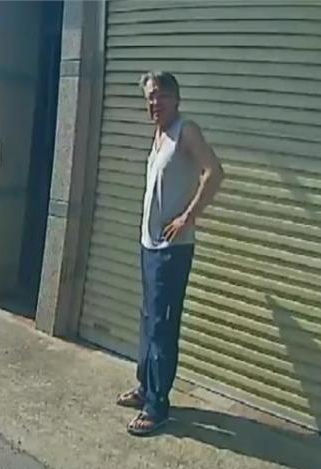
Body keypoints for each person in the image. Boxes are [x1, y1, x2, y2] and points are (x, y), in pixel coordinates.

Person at [116, 71, 224, 436]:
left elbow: (215, 172)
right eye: (149, 97)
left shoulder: (185, 130)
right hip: (149, 245)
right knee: (148, 319)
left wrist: (187, 217)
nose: (154, 103)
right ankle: (145, 386)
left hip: (172, 250)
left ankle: (158, 407)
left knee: (163, 324)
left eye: (160, 96)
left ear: (176, 98)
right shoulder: (159, 134)